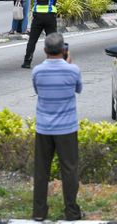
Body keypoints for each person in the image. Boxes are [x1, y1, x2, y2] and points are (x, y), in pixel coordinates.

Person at [31, 33, 83, 222]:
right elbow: (78, 89)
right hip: (67, 129)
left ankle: (38, 212)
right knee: (69, 170)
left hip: (44, 128)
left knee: (41, 170)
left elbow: (37, 91)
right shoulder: (73, 70)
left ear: (45, 51)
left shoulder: (37, 71)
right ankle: (71, 211)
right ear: (63, 50)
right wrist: (68, 64)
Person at [22, 0, 82, 69]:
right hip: (49, 16)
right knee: (53, 40)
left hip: (37, 16)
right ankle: (56, 61)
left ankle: (27, 62)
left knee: (32, 40)